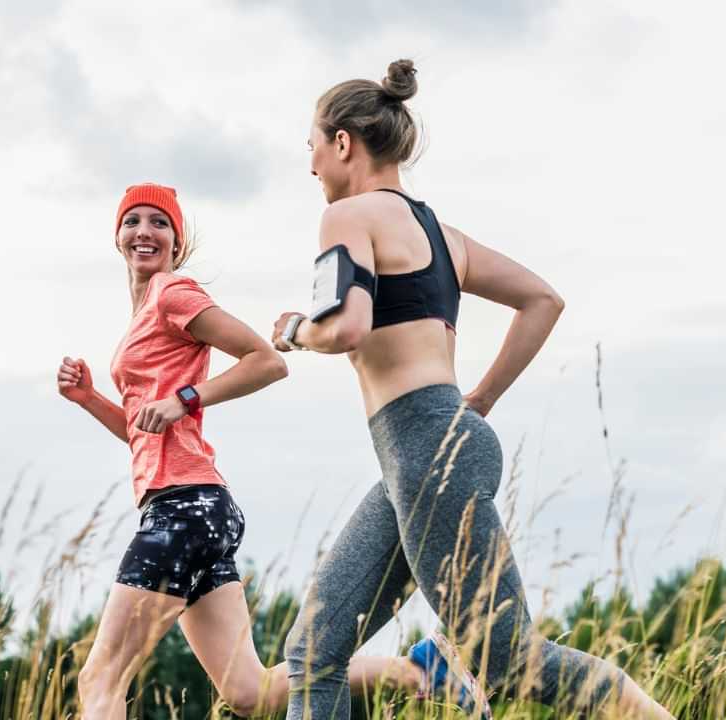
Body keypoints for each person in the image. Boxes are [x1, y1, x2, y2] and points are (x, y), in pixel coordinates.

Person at [271, 62, 676, 719]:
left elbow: (345, 326)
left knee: (508, 661)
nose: (311, 165)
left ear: (343, 143)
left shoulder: (348, 215)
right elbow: (542, 300)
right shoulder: (441, 235)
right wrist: (478, 403)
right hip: (425, 452)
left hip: (426, 453)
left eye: (312, 147)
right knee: (314, 651)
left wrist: (294, 329)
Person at [59, 183, 478, 718]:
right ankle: (420, 670)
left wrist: (186, 399)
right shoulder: (141, 317)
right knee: (249, 693)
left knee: (101, 678)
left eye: (159, 223)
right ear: (117, 236)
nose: (145, 232)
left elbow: (266, 360)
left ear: (176, 240)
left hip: (182, 509)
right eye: (133, 221)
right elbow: (143, 431)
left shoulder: (173, 294)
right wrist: (90, 397)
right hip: (198, 508)